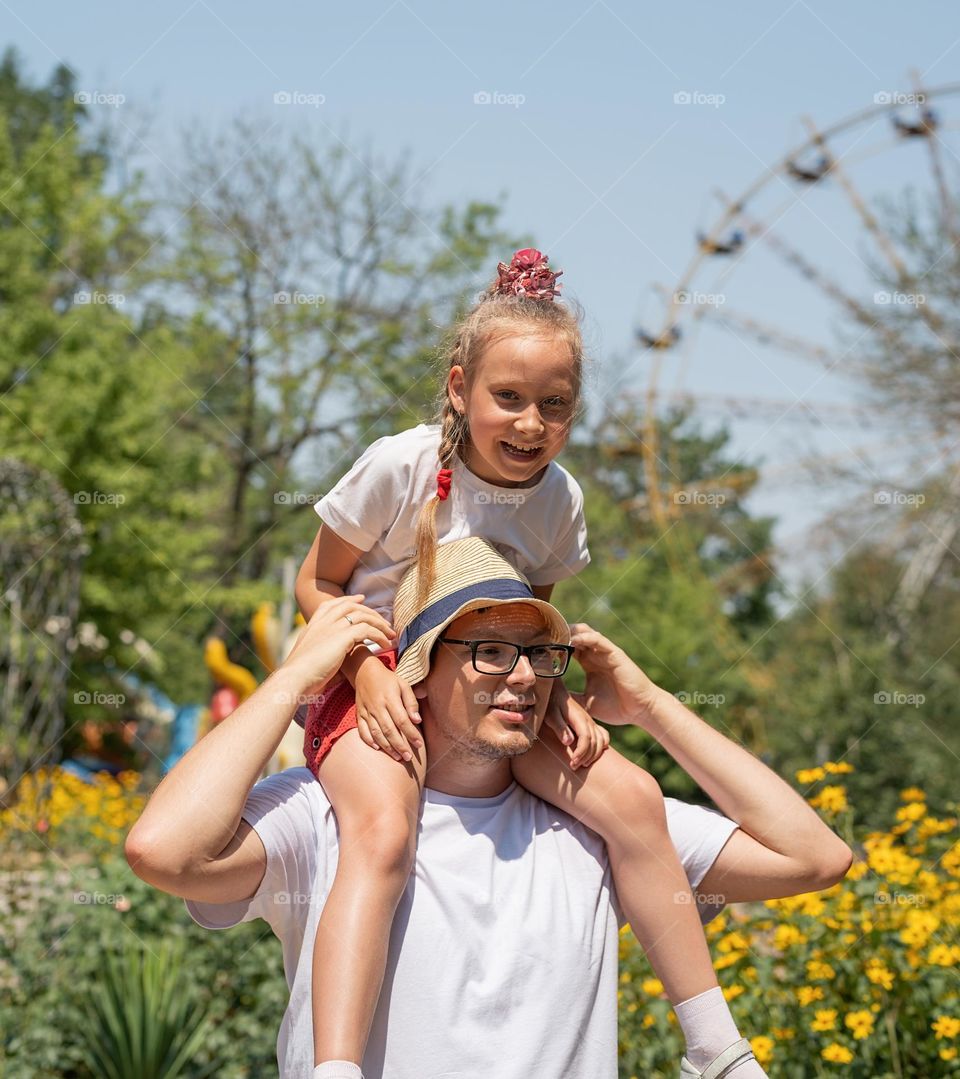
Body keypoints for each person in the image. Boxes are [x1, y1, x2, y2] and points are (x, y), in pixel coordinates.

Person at [292, 249, 771, 1077]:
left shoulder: (559, 499)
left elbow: (533, 619)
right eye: (506, 398)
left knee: (631, 796)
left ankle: (712, 1044)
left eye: (555, 405)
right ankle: (337, 1064)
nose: (529, 424)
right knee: (382, 830)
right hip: (368, 678)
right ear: (458, 390)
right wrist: (368, 670)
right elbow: (316, 579)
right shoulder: (399, 467)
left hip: (486, 687)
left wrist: (557, 693)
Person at [125, 538, 853, 1079]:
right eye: (490, 652)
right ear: (420, 669)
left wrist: (653, 707)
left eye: (539, 655)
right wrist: (293, 678)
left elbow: (814, 858)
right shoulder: (327, 818)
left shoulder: (594, 819)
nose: (523, 677)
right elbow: (163, 850)